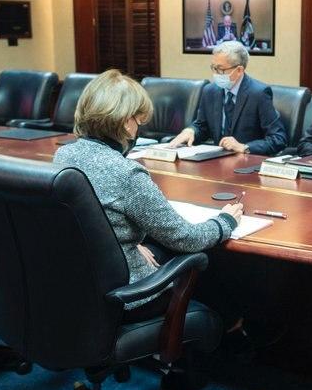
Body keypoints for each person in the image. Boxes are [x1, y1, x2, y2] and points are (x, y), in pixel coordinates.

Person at [53, 69, 244, 304]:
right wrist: (225, 221)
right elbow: (186, 238)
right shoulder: (126, 173)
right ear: (126, 122)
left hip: (80, 284)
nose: (139, 127)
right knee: (212, 273)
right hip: (127, 294)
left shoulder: (64, 155)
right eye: (138, 120)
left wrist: (122, 244)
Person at [168, 40, 287, 155]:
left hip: (247, 161)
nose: (216, 74)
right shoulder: (210, 91)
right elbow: (202, 126)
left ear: (239, 70)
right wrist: (191, 131)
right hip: (216, 160)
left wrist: (244, 147)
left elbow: (278, 139)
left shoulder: (259, 93)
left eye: (221, 69)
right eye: (214, 68)